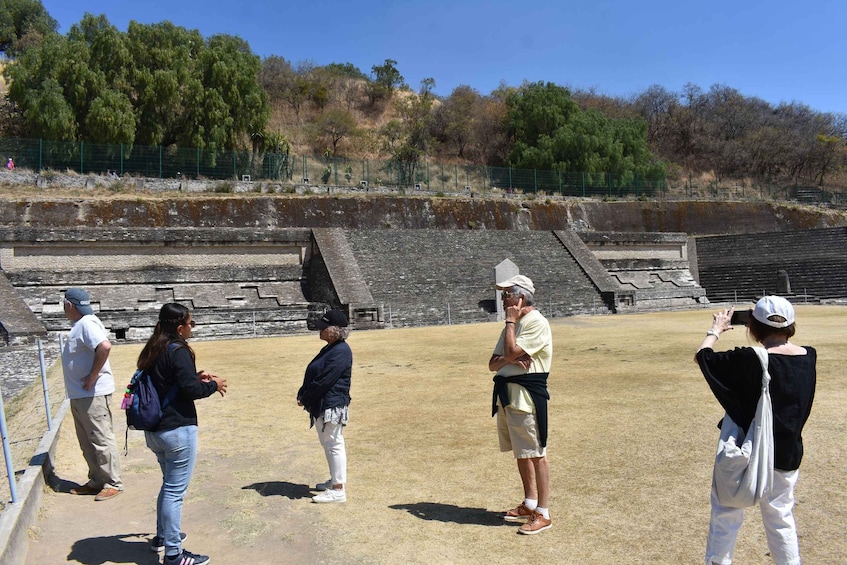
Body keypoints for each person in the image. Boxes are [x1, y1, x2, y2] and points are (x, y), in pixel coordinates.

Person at [696, 296, 816, 565]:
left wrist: (716, 329)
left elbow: (702, 357)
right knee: (781, 518)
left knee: (726, 512)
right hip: (787, 453)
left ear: (754, 326)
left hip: (746, 451)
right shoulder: (809, 356)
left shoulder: (749, 359)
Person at [137, 303, 227, 565]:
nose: (192, 328)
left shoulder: (153, 348)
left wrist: (194, 376)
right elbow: (192, 391)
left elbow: (168, 381)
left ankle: (162, 537)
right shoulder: (178, 350)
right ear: (180, 327)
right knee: (175, 491)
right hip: (176, 430)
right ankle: (174, 554)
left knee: (168, 487)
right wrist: (212, 385)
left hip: (156, 431)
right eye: (191, 324)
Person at [488, 275, 554, 535]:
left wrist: (511, 352)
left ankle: (544, 513)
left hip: (527, 397)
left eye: (507, 294)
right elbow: (493, 363)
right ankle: (529, 502)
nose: (503, 299)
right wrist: (511, 357)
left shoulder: (536, 322)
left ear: (521, 297)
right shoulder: (512, 325)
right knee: (521, 451)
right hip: (509, 397)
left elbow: (512, 353)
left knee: (537, 453)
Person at [61, 287, 124, 502]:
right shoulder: (81, 324)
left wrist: (93, 376)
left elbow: (104, 346)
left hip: (92, 394)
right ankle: (97, 479)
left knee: (100, 438)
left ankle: (112, 482)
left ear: (69, 305)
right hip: (81, 395)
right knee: (87, 440)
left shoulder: (87, 324)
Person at [297, 310, 353, 504]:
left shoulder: (341, 351)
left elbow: (325, 380)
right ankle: (334, 480)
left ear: (334, 330)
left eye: (323, 327)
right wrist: (302, 392)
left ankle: (338, 489)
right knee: (328, 443)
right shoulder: (330, 348)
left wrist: (306, 397)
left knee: (334, 443)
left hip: (332, 403)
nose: (319, 330)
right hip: (323, 403)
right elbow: (315, 373)